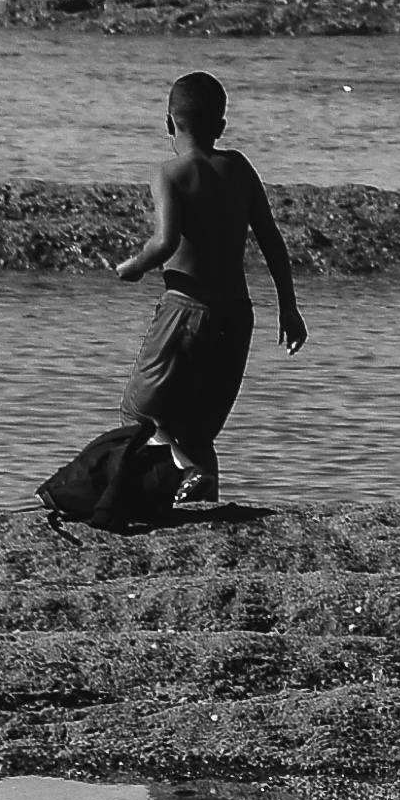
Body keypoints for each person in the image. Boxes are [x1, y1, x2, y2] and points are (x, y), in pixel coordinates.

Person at [111, 70, 305, 505]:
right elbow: (271, 238)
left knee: (138, 413)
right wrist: (288, 308)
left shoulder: (169, 172)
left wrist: (135, 266)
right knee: (198, 430)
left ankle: (186, 470)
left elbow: (165, 242)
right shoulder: (238, 166)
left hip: (187, 310)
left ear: (168, 124)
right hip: (236, 316)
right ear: (221, 127)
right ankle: (205, 504)